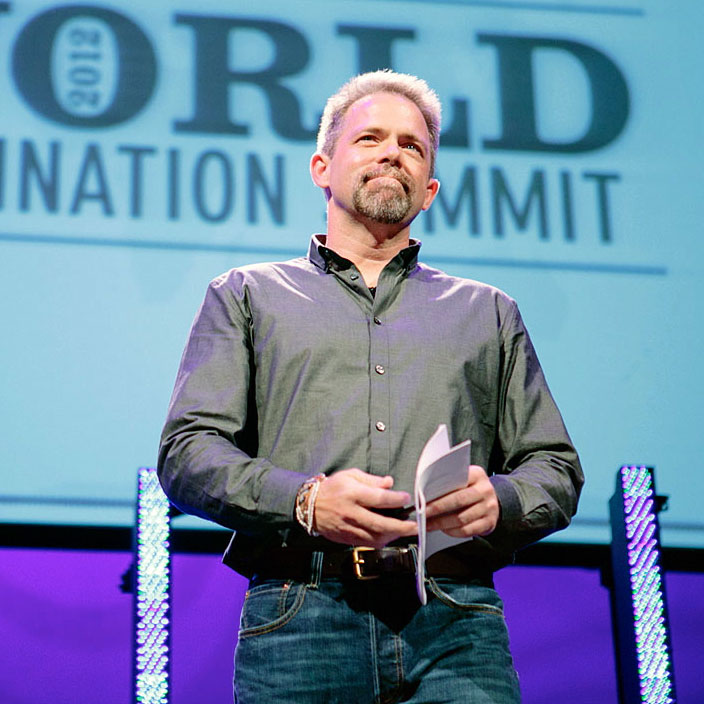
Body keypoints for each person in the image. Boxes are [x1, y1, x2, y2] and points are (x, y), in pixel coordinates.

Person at [158, 70, 583, 703]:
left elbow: (555, 468)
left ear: (429, 188)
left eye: (411, 146)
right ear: (321, 168)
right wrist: (304, 500)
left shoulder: (488, 312)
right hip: (300, 612)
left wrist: (502, 501)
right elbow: (189, 452)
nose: (392, 153)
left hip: (456, 618)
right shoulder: (246, 295)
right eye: (370, 138)